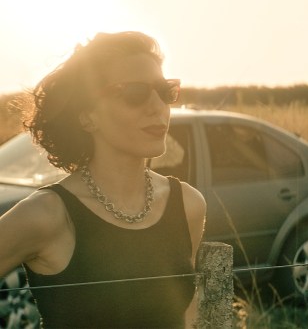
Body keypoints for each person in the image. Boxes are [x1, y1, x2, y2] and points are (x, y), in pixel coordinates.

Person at [0, 31, 207, 328]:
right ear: (87, 116)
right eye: (135, 93)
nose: (157, 107)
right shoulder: (47, 215)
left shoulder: (187, 204)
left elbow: (187, 313)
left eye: (165, 91)